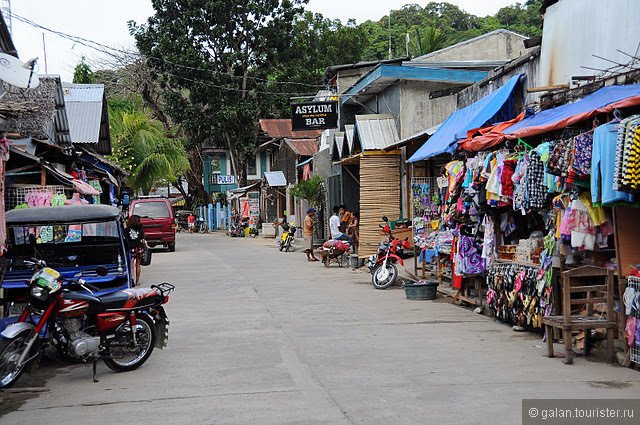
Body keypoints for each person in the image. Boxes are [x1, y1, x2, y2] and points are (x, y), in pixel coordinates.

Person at [125, 215, 146, 287]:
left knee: (131, 265)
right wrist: (144, 246)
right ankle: (137, 281)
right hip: (139, 248)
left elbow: (125, 240)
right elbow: (143, 240)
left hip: (131, 248)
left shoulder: (127, 229)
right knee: (138, 265)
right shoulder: (140, 229)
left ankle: (132, 278)